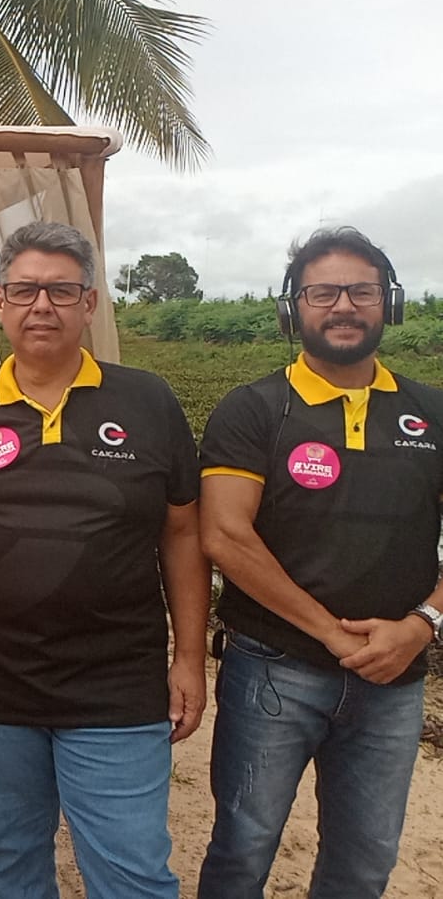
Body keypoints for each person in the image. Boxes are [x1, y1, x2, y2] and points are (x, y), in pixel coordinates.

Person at [0, 222, 208, 899]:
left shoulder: (146, 401)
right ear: (0, 300)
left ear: (89, 303)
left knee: (131, 874)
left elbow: (182, 533)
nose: (42, 305)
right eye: (25, 290)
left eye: (61, 291)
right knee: (8, 861)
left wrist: (188, 656)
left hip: (115, 683)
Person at [196, 227, 443, 899]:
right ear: (292, 308)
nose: (343, 306)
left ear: (389, 303)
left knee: (364, 863)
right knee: (242, 850)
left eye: (361, 291)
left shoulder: (431, 412)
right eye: (323, 292)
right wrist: (332, 634)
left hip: (394, 679)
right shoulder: (254, 410)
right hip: (271, 670)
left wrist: (420, 624)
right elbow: (224, 536)